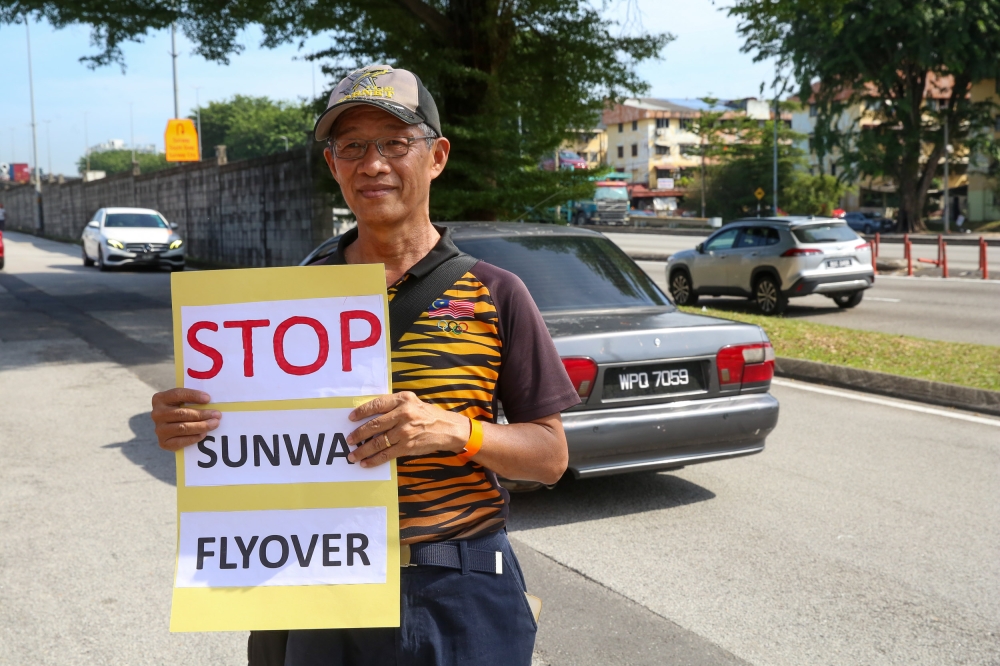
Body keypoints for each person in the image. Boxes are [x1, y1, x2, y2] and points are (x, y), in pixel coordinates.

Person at [150, 64, 580, 666]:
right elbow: (249, 451)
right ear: (334, 166)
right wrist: (185, 429)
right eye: (352, 146)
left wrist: (457, 429)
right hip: (316, 585)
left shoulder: (495, 292)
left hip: (456, 586)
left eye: (395, 143)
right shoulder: (281, 304)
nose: (373, 164)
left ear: (436, 157)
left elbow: (550, 458)